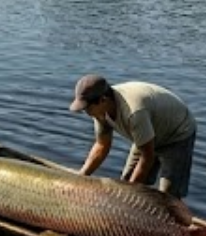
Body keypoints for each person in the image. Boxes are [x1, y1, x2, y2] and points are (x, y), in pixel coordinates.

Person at [70, 74, 199, 199]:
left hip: (177, 133)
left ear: (103, 100)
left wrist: (130, 193)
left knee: (168, 196)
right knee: (126, 182)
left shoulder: (134, 112)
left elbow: (147, 157)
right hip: (148, 132)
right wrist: (81, 177)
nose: (86, 112)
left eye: (87, 108)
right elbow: (102, 145)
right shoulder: (100, 112)